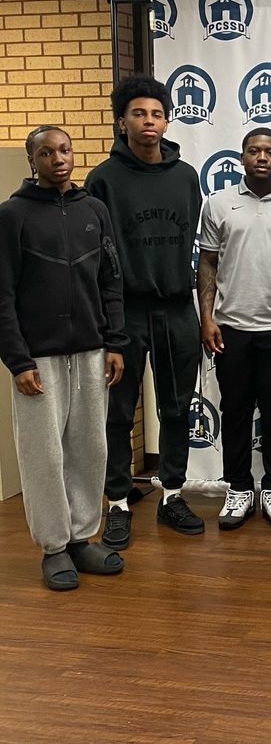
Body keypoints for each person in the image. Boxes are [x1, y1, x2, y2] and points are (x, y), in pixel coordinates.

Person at [0, 126, 128, 589]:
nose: (58, 159)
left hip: (92, 352)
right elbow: (2, 294)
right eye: (47, 153)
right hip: (39, 360)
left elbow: (111, 280)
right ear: (32, 161)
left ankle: (80, 538)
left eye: (65, 150)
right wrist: (18, 361)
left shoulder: (94, 210)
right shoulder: (12, 215)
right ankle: (54, 548)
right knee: (44, 455)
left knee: (90, 449)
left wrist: (116, 343)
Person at [86, 75, 204, 546]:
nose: (148, 121)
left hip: (176, 308)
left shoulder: (186, 176)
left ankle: (172, 495)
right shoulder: (103, 179)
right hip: (125, 312)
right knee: (118, 412)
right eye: (138, 113)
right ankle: (117, 502)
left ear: (167, 121)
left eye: (156, 113)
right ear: (122, 122)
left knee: (176, 408)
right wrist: (107, 323)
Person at [198, 128, 271, 531]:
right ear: (241, 157)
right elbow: (207, 262)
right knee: (235, 411)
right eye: (254, 151)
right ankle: (239, 488)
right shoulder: (218, 203)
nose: (262, 157)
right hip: (232, 327)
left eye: (270, 152)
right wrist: (206, 318)